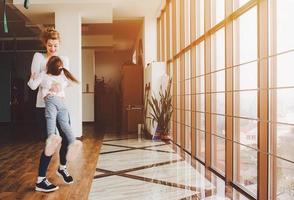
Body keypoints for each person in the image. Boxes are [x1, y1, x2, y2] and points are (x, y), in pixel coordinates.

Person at [27, 27, 79, 193]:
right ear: (45, 43)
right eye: (50, 45)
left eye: (55, 45)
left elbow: (65, 80)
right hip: (45, 106)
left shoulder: (63, 58)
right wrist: (46, 81)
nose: (53, 48)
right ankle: (41, 180)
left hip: (61, 103)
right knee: (51, 141)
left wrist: (59, 85)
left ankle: (62, 167)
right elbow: (35, 81)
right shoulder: (39, 57)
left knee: (67, 137)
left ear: (59, 44)